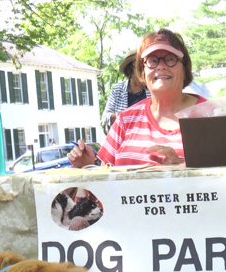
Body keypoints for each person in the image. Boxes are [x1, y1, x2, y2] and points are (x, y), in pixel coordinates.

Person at [69, 29, 205, 168]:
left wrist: (182, 169)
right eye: (152, 61)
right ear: (142, 71)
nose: (161, 66)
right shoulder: (125, 119)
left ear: (185, 68)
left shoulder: (211, 115)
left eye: (170, 59)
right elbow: (103, 181)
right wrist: (86, 167)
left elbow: (225, 179)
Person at [101, 51, 151, 132]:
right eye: (139, 68)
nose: (142, 72)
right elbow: (105, 118)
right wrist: (123, 115)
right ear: (130, 69)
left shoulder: (151, 90)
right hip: (122, 139)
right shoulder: (118, 89)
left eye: (144, 68)